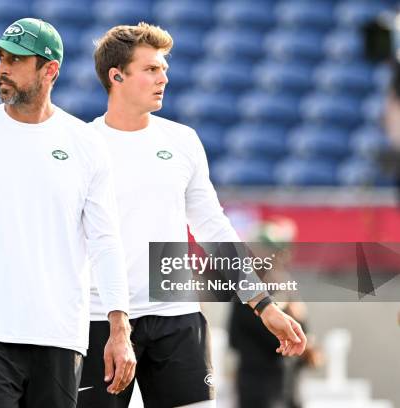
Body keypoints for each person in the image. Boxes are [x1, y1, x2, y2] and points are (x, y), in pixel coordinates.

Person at [77, 23, 307, 408]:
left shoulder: (182, 141)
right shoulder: (83, 146)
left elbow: (213, 227)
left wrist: (263, 303)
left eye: (163, 68)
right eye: (151, 68)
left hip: (177, 315)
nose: (163, 77)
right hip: (98, 318)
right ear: (116, 76)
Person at [0, 18, 135, 408]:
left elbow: (106, 242)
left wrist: (120, 329)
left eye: (17, 59)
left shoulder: (86, 144)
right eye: (1, 57)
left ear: (50, 70)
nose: (3, 68)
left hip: (60, 334)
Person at [229, 217, 323, 408]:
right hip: (258, 384)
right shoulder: (249, 293)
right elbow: (238, 337)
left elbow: (301, 329)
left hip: (286, 384)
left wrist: (307, 346)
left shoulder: (284, 287)